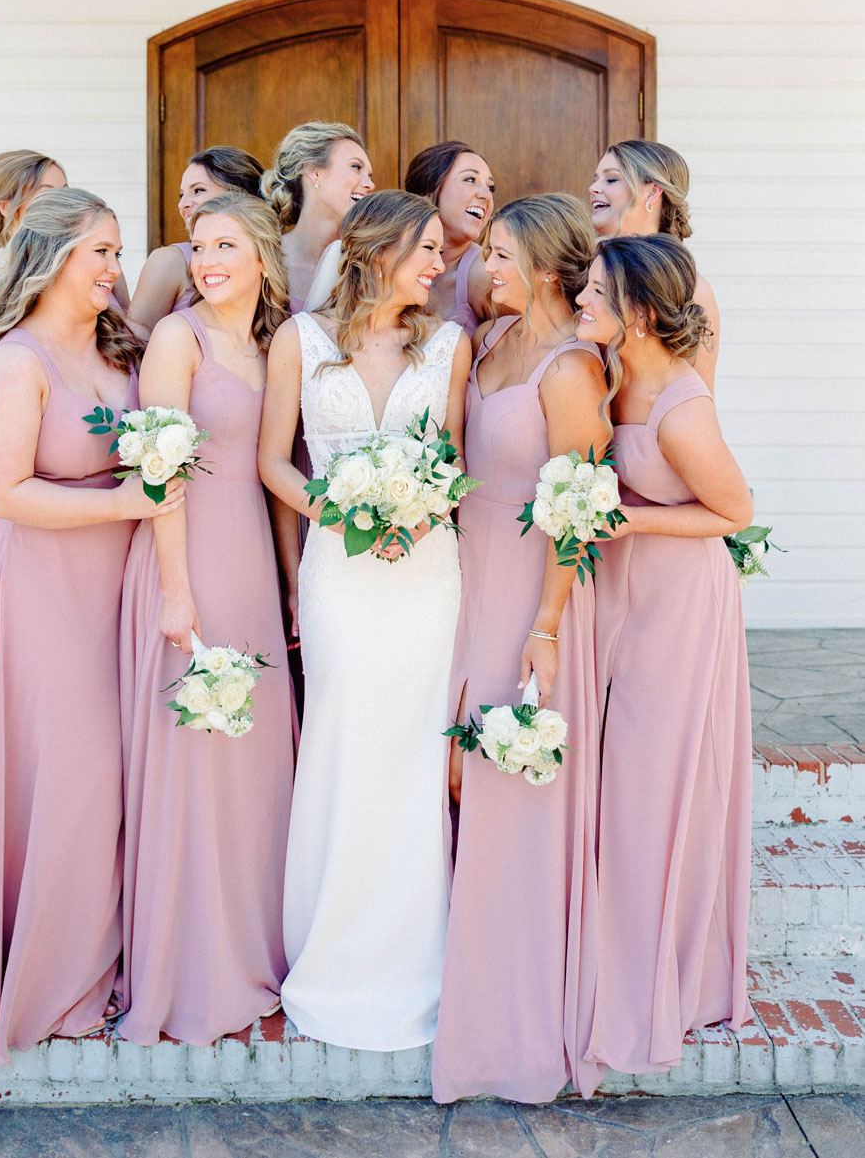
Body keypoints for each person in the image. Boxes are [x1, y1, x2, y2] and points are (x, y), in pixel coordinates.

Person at [0, 189, 183, 1068]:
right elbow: (4, 493)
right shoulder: (17, 361)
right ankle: (48, 983)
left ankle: (91, 959)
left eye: (116, 252)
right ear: (52, 258)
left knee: (114, 777)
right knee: (72, 774)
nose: (116, 268)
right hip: (44, 591)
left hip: (117, 586)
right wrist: (122, 503)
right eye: (100, 252)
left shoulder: (120, 348)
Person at [258, 189, 472, 1051]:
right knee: (346, 737)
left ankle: (416, 954)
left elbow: (450, 457)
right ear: (375, 249)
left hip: (426, 573)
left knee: (418, 742)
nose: (440, 261)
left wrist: (423, 509)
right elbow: (273, 459)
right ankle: (336, 949)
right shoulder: (301, 341)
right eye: (425, 247)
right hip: (339, 570)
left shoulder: (449, 344)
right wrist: (338, 511)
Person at [432, 194, 608, 1104]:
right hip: (461, 581)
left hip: (530, 593)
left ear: (545, 267)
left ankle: (511, 1019)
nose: (481, 265)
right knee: (455, 776)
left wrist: (545, 627)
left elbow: (579, 511)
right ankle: (461, 978)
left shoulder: (571, 368)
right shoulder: (489, 343)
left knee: (505, 787)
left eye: (498, 253)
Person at [118, 193, 296, 1045]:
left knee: (255, 760)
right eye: (198, 245)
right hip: (189, 560)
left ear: (263, 253)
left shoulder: (274, 342)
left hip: (256, 564)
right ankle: (194, 966)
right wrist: (176, 590)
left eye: (226, 243)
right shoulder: (175, 338)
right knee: (198, 759)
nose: (206, 259)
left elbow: (278, 473)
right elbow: (159, 473)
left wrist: (293, 586)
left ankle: (257, 945)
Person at [575, 233, 753, 1076]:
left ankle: (665, 965)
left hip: (678, 599)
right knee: (614, 775)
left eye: (595, 292)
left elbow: (733, 513)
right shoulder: (606, 375)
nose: (581, 300)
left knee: (654, 779)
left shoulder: (682, 409)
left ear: (638, 312)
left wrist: (631, 519)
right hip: (621, 591)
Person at [587, 139, 719, 389]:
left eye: (611, 179)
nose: (593, 187)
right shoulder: (583, 269)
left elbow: (700, 397)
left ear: (651, 192)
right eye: (596, 179)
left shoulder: (691, 289)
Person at [126, 147, 264, 338]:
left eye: (198, 191)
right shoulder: (170, 261)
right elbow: (136, 345)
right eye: (181, 195)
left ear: (239, 195)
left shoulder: (272, 259)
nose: (183, 205)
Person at [260, 121, 374, 312]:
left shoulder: (369, 264)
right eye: (356, 167)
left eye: (370, 175)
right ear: (314, 172)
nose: (370, 184)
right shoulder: (262, 258)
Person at [0, 150, 68, 342]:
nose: (64, 203)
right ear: (6, 206)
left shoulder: (100, 263)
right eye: (47, 194)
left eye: (65, 192)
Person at [405, 141, 495, 334]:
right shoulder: (388, 260)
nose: (486, 195)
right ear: (426, 194)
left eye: (490, 187)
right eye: (470, 180)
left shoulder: (484, 275)